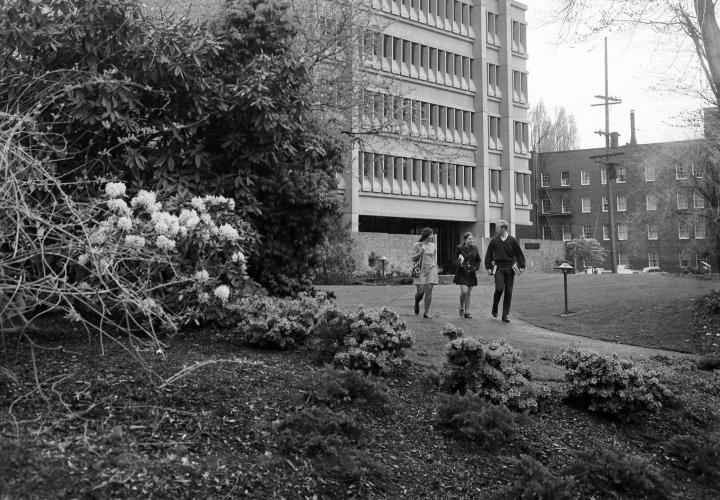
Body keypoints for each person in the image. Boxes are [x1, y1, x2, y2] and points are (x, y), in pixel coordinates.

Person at [484, 220, 525, 322]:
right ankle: (495, 306)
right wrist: (488, 267)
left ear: (503, 228)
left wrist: (522, 265)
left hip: (510, 268)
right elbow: (489, 255)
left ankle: (505, 315)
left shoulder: (512, 240)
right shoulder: (494, 241)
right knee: (499, 288)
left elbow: (519, 253)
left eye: (497, 227)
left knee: (509, 291)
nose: (496, 229)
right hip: (498, 268)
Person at [411, 227, 438, 319]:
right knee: (421, 292)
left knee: (429, 289)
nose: (432, 236)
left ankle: (426, 313)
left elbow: (434, 258)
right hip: (421, 270)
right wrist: (420, 252)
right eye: (431, 234)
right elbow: (413, 258)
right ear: (426, 235)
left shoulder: (433, 245)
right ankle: (416, 302)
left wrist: (436, 267)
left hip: (431, 269)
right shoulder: (417, 245)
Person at [452, 232, 481, 318]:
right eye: (469, 239)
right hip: (462, 273)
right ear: (465, 240)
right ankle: (461, 307)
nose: (472, 240)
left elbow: (478, 260)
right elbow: (454, 260)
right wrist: (459, 264)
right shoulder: (459, 248)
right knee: (464, 292)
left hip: (471, 273)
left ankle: (467, 312)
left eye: (472, 239)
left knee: (468, 293)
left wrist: (476, 267)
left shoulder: (475, 248)